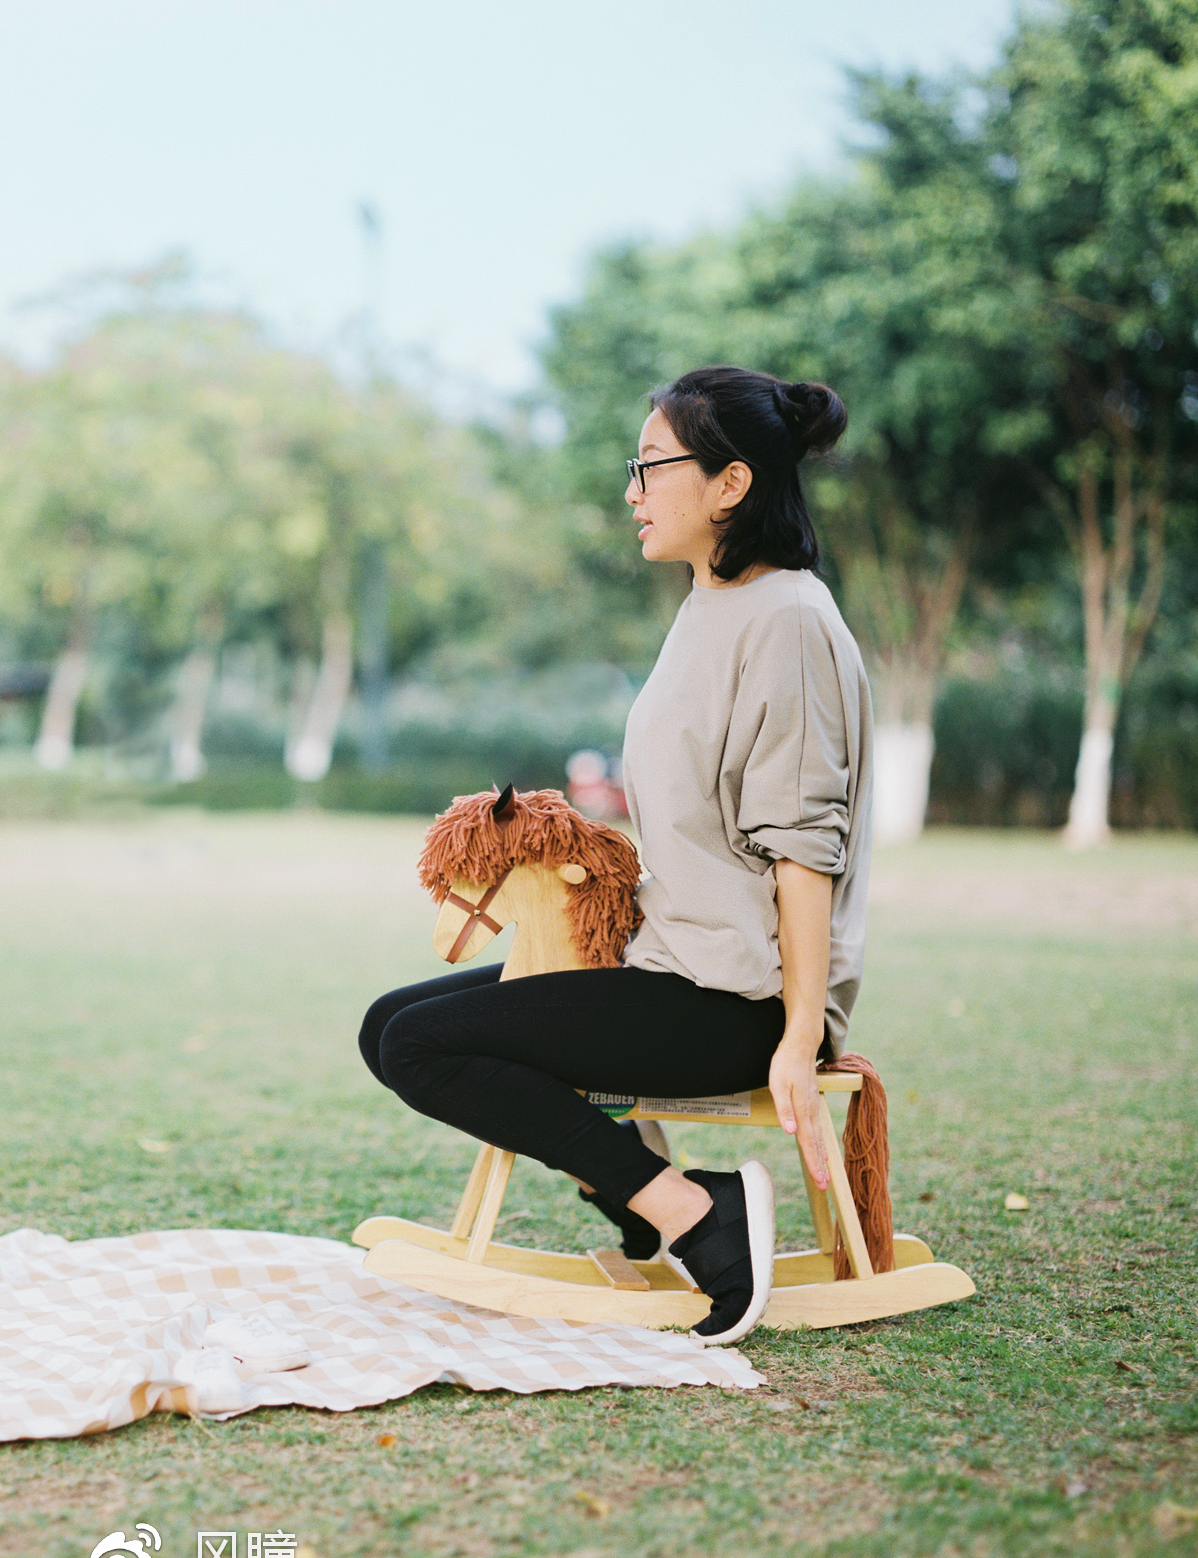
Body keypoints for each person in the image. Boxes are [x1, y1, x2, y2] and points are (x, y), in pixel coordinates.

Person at [359, 366, 871, 1345]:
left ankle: (693, 1213)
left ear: (730, 483)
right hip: (672, 961)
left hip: (736, 996)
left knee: (420, 1044)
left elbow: (805, 849)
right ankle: (641, 1200)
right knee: (389, 1026)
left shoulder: (789, 621)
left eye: (651, 468)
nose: (631, 492)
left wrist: (800, 1031)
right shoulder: (710, 603)